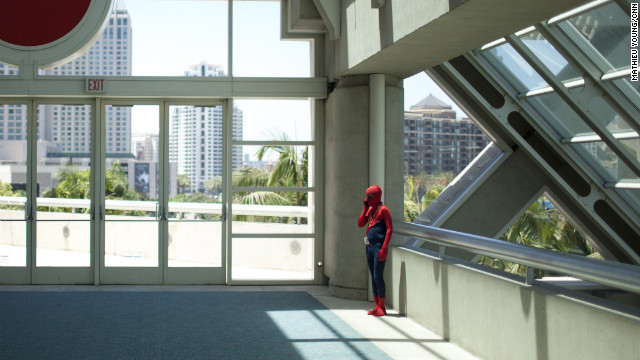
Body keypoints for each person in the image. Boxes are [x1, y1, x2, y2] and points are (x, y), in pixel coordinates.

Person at [357, 184, 393, 317]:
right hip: (369, 248)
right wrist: (365, 207)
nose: (368, 198)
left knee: (378, 276)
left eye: (370, 196)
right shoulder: (370, 209)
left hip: (379, 248)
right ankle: (376, 305)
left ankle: (382, 307)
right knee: (373, 276)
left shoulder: (384, 210)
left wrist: (384, 247)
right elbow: (360, 223)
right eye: (367, 196)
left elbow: (389, 229)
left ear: (376, 196)